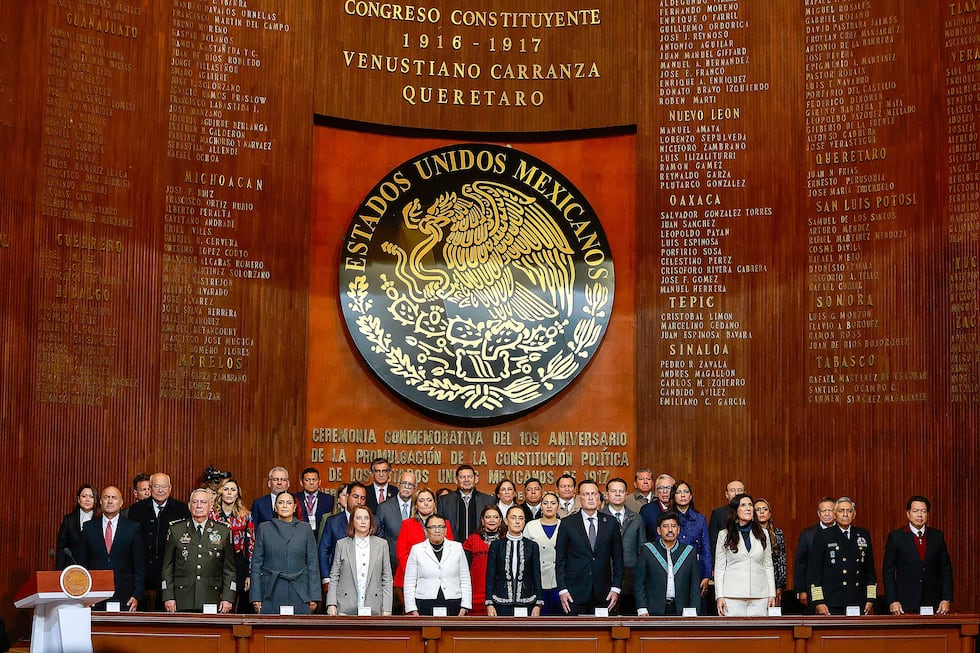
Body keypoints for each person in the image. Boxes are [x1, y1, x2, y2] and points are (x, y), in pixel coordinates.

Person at [555, 479, 624, 615]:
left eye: (594, 494)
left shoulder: (611, 523)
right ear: (579, 498)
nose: (591, 498)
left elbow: (618, 559)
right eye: (586, 494)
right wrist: (563, 589)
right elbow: (560, 560)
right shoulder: (567, 523)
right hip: (574, 593)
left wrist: (616, 588)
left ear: (599, 497)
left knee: (603, 633)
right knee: (577, 634)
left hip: (604, 593)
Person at [162, 488, 236, 612]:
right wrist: (168, 596)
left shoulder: (223, 531)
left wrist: (228, 597)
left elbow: (229, 569)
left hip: (211, 596)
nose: (199, 506)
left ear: (210, 506)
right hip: (182, 597)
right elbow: (167, 567)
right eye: (195, 502)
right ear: (189, 506)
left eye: (203, 502)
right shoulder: (176, 529)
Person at [126, 472, 191, 609]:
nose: (160, 490)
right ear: (150, 488)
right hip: (142, 576)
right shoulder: (137, 510)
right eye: (156, 486)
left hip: (172, 576)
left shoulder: (181, 510)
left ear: (170, 488)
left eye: (164, 486)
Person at [250, 492, 320, 614]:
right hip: (271, 590)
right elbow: (256, 565)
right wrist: (256, 596)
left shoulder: (305, 528)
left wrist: (314, 596)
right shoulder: (264, 528)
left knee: (298, 630)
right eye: (280, 502)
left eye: (289, 503)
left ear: (294, 507)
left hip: (300, 590)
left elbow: (312, 564)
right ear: (275, 507)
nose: (284, 506)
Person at [882, 495, 953, 615]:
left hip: (933, 602)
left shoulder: (937, 536)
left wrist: (946, 598)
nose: (919, 515)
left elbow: (945, 570)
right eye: (915, 511)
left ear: (927, 514)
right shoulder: (896, 537)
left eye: (923, 511)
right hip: (904, 602)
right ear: (908, 514)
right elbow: (888, 571)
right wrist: (892, 600)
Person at [77, 486, 144, 611]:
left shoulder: (133, 528)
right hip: (94, 595)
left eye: (114, 498)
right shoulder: (88, 528)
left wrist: (136, 594)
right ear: (101, 502)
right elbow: (82, 564)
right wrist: (84, 595)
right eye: (106, 497)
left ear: (121, 502)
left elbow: (139, 565)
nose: (110, 501)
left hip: (125, 594)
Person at [807, 496, 876, 615]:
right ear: (835, 514)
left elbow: (870, 571)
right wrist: (818, 602)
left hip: (858, 599)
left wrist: (870, 599)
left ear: (854, 514)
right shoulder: (823, 535)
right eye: (841, 511)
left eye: (849, 511)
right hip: (832, 601)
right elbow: (815, 572)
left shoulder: (863, 534)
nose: (845, 514)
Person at [714, 493, 775, 616]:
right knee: (733, 634)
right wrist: (719, 596)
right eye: (743, 505)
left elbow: (768, 565)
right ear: (736, 510)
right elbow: (719, 568)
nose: (748, 508)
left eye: (750, 505)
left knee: (759, 634)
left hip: (760, 595)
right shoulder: (724, 535)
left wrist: (771, 594)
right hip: (732, 595)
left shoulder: (763, 533)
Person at [326, 505, 393, 615]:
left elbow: (387, 578)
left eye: (366, 518)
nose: (363, 521)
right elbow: (334, 576)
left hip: (374, 605)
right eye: (358, 518)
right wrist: (331, 604)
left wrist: (387, 608)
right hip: (346, 605)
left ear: (371, 521)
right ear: (352, 521)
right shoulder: (342, 544)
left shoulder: (382, 544)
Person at [403, 514, 471, 616]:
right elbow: (409, 582)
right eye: (433, 527)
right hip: (424, 602)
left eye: (441, 527)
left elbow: (465, 578)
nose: (437, 530)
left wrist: (465, 605)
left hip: (454, 601)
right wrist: (412, 608)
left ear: (446, 530)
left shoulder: (457, 548)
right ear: (426, 530)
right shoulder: (417, 550)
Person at [635, 512, 701, 615]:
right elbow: (639, 584)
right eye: (665, 526)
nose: (670, 530)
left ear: (678, 529)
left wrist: (694, 610)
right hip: (653, 609)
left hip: (682, 610)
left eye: (673, 526)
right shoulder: (647, 550)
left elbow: (694, 586)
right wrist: (642, 608)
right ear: (658, 530)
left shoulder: (689, 551)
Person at [485, 505, 544, 616]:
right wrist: (489, 603)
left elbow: (536, 575)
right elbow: (490, 575)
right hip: (501, 601)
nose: (517, 522)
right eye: (513, 518)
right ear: (506, 521)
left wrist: (538, 604)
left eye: (521, 518)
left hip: (527, 600)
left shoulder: (532, 546)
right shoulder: (496, 545)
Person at [396, 487, 455, 591]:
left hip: (440, 578)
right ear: (416, 505)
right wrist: (414, 574)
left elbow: (449, 552)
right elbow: (402, 554)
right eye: (421, 501)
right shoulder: (407, 524)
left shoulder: (445, 524)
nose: (426, 503)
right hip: (412, 579)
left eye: (429, 500)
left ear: (434, 503)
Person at [601, 477, 645, 614]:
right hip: (604, 576)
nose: (618, 494)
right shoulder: (599, 517)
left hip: (630, 578)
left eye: (621, 491)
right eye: (614, 491)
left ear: (627, 494)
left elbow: (641, 549)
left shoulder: (636, 518)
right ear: (607, 495)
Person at [210, 477, 255, 612]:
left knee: (238, 602)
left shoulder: (246, 516)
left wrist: (249, 574)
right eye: (226, 489)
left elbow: (251, 546)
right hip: (215, 560)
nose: (229, 493)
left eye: (233, 490)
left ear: (237, 494)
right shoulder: (212, 515)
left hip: (238, 562)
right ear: (220, 492)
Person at [319, 482, 368, 589]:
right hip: (338, 579)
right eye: (355, 497)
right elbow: (324, 550)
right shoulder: (333, 522)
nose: (359, 501)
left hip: (365, 580)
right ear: (347, 497)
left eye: (363, 498)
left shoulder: (374, 521)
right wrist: (326, 579)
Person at [794, 496, 836, 610]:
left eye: (830, 510)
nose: (827, 514)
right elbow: (800, 564)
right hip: (813, 588)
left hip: (837, 590)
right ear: (819, 513)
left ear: (836, 512)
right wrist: (801, 590)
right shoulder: (808, 534)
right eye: (824, 511)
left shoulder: (842, 533)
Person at [523, 491, 562, 615]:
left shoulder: (565, 525)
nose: (549, 506)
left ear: (558, 506)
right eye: (545, 503)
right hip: (537, 581)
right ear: (541, 506)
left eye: (553, 503)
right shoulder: (531, 526)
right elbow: (524, 554)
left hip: (559, 581)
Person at [462, 504, 503, 616]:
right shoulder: (472, 540)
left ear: (500, 520)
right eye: (488, 517)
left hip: (500, 596)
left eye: (495, 517)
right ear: (482, 520)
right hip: (475, 595)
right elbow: (464, 570)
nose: (492, 520)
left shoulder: (506, 540)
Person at [375, 471, 416, 581]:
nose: (407, 487)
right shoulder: (384, 507)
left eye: (410, 485)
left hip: (415, 563)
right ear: (398, 485)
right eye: (404, 483)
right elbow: (378, 537)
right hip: (391, 563)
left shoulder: (419, 506)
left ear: (415, 488)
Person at [437, 465, 492, 540]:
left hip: (480, 548)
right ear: (456, 480)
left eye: (470, 477)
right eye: (462, 477)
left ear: (475, 479)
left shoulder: (488, 500)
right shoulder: (444, 501)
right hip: (453, 547)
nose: (466, 480)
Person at [754, 498, 786, 605]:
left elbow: (781, 561)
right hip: (755, 580)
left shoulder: (777, 533)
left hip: (773, 581)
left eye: (765, 509)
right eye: (758, 509)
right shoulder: (749, 534)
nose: (762, 512)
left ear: (770, 513)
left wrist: (779, 586)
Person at [56, 484, 97, 569]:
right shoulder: (69, 520)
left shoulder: (100, 520)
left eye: (91, 496)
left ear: (95, 500)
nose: (87, 499)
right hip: (71, 568)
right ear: (78, 499)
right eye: (84, 496)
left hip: (94, 568)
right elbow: (61, 548)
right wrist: (59, 571)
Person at [708, 479, 745, 563]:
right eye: (732, 490)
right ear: (726, 494)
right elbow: (713, 542)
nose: (736, 493)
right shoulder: (718, 513)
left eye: (740, 490)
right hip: (725, 560)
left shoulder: (751, 512)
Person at [294, 467, 335, 538]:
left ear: (319, 482)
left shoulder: (329, 499)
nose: (311, 483)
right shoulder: (295, 498)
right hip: (299, 536)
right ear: (301, 482)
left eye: (314, 479)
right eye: (307, 480)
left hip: (322, 536)